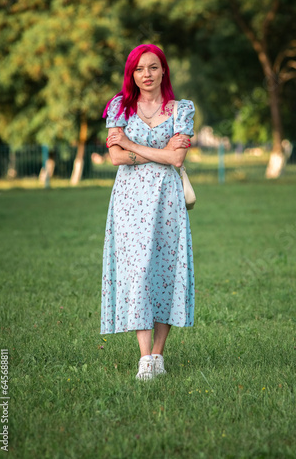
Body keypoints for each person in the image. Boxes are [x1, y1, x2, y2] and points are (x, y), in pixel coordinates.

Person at [99, 44, 195, 380]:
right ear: (132, 74)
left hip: (167, 200)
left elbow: (177, 160)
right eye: (140, 69)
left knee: (165, 271)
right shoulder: (119, 107)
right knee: (137, 272)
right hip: (128, 200)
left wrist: (131, 145)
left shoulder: (181, 110)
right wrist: (158, 151)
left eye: (153, 67)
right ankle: (144, 358)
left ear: (163, 70)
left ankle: (158, 356)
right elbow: (115, 158)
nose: (147, 75)